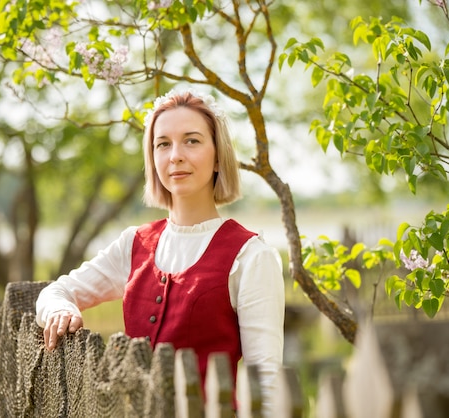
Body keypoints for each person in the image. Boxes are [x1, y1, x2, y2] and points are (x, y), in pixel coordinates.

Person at [35, 89, 285, 414]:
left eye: (191, 141)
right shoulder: (134, 244)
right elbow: (56, 291)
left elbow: (265, 384)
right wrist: (58, 310)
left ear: (218, 156)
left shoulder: (251, 256)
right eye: (163, 143)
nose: (175, 155)